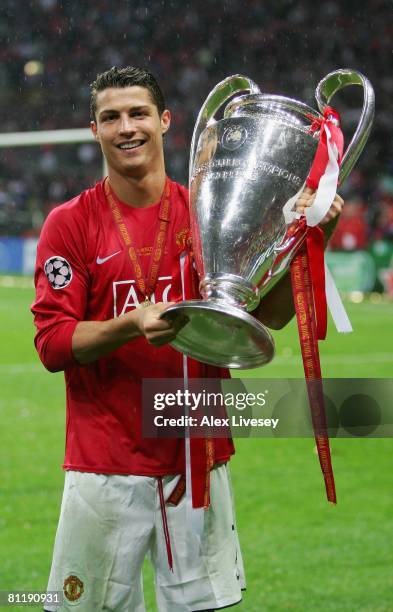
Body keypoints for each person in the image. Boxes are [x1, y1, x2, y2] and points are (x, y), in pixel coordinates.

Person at [32, 66, 343, 612]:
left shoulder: (209, 209)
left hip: (196, 454)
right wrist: (131, 323)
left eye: (138, 113)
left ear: (165, 121)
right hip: (105, 464)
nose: (126, 127)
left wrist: (315, 233)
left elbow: (266, 317)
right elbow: (53, 344)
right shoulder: (70, 223)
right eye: (111, 117)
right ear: (94, 130)